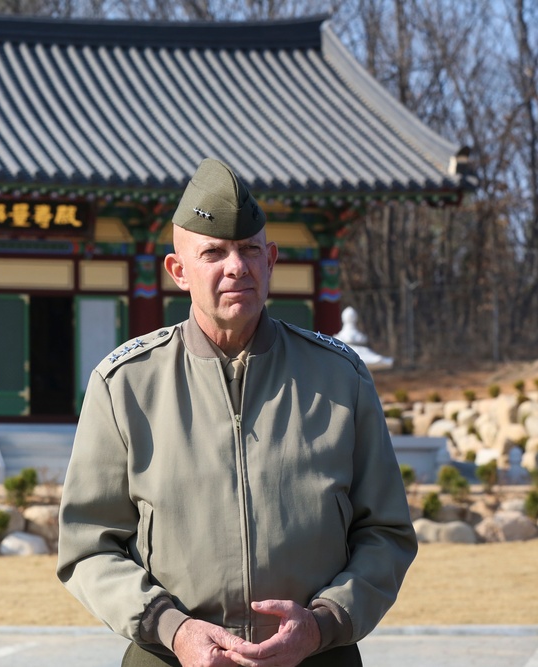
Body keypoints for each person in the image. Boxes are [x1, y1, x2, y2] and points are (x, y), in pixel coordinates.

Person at [56, 158, 417, 667]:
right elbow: (88, 546)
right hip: (169, 658)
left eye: (250, 250)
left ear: (271, 260)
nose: (236, 267)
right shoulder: (125, 385)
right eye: (213, 252)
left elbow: (386, 533)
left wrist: (321, 624)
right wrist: (174, 630)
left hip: (318, 658)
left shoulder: (340, 378)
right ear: (178, 271)